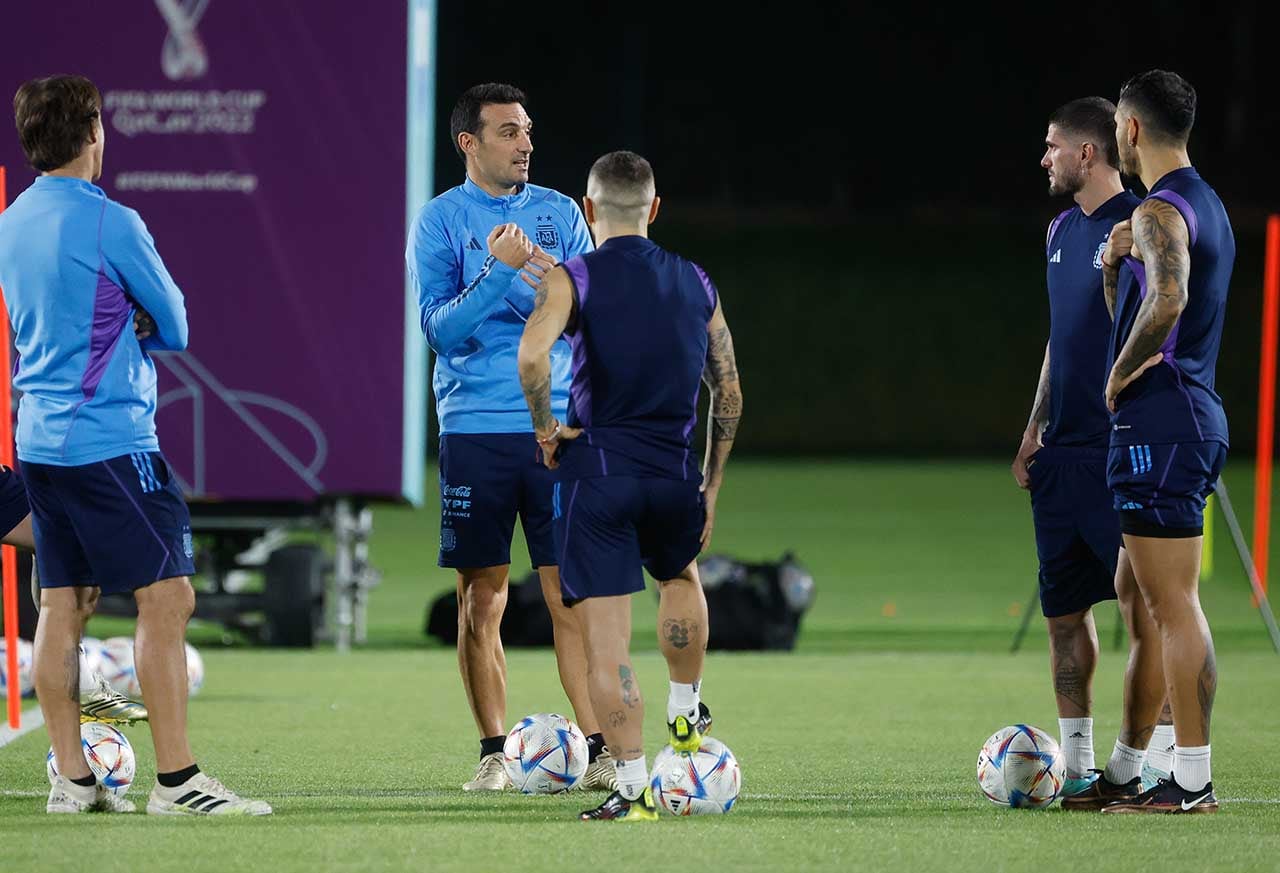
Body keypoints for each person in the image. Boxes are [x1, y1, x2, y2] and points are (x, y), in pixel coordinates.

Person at [0, 75, 269, 816]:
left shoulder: (11, 221)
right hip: (110, 438)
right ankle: (178, 782)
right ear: (94, 131)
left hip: (41, 441)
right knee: (169, 595)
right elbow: (176, 324)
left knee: (64, 599)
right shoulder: (111, 221)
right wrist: (138, 323)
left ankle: (71, 780)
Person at [517, 150, 742, 821]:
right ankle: (685, 710)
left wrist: (547, 427)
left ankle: (632, 788)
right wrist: (711, 485)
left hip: (601, 479)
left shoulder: (574, 275)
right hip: (674, 476)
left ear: (589, 210)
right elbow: (727, 390)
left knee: (608, 643)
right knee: (680, 577)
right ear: (656, 207)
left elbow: (532, 355)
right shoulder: (695, 280)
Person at [405, 83, 614, 791]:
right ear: (469, 143)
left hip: (555, 425)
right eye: (507, 132)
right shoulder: (439, 221)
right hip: (474, 428)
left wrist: (552, 290)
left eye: (526, 130)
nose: (525, 143)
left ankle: (600, 748)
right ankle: (495, 750)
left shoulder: (560, 213)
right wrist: (499, 271)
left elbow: (594, 316)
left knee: (569, 596)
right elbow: (440, 330)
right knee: (480, 597)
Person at [1087, 70, 1232, 815]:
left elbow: (1169, 300)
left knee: (1171, 603)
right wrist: (1120, 265)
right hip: (1185, 418)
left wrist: (1119, 373)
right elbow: (1155, 292)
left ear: (1133, 129)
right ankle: (1130, 764)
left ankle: (1190, 778)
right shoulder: (1202, 203)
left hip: (1163, 423)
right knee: (1133, 593)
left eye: (1117, 120)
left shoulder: (1157, 209)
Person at [1012, 98, 1150, 798]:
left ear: (1089, 153)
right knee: (1066, 616)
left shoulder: (1143, 226)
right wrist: (1033, 427)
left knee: (1145, 607)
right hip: (1060, 453)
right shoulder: (1059, 230)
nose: (1045, 158)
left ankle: (1154, 761)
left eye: (1052, 145)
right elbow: (1059, 337)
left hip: (1117, 450)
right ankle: (1078, 764)